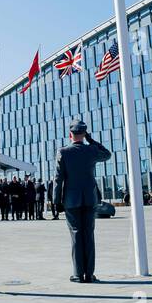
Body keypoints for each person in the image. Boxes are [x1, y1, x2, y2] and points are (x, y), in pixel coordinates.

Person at [53, 120, 111, 283]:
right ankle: (89, 274)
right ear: (84, 135)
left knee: (76, 235)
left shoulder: (63, 152)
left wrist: (55, 201)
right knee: (89, 235)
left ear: (70, 135)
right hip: (89, 199)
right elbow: (107, 154)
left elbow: (58, 178)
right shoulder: (91, 150)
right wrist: (91, 140)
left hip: (71, 200)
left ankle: (78, 274)